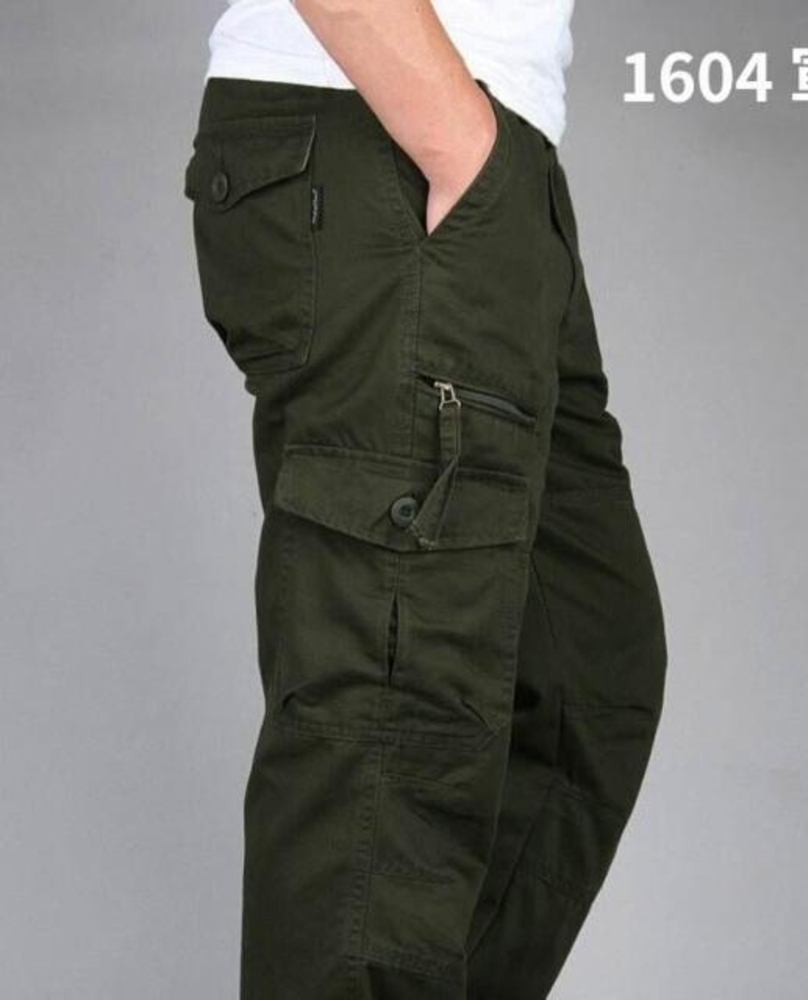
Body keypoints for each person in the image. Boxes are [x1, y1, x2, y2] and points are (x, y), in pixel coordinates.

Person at [182, 1, 669, 996]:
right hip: (391, 131)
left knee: (580, 683)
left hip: (482, 163)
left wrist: (489, 168)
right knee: (393, 728)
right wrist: (460, 147)